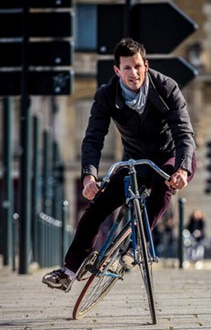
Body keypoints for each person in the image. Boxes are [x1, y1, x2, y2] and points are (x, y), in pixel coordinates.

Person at [43, 37, 197, 292]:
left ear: (145, 65)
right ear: (117, 70)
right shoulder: (106, 96)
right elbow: (93, 138)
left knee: (163, 186)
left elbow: (183, 132)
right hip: (135, 159)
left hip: (172, 156)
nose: (133, 73)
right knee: (98, 205)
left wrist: (182, 168)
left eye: (137, 66)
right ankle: (69, 271)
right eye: (127, 68)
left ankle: (134, 245)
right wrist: (89, 176)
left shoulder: (166, 87)